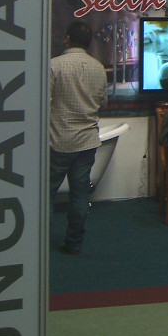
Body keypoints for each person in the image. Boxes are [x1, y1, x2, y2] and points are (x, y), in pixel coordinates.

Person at [48, 20, 108, 255]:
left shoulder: (54, 66)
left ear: (67, 39)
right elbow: (103, 102)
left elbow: (42, 102)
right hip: (87, 142)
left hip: (58, 141)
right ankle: (74, 243)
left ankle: (40, 246)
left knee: (46, 196)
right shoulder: (98, 68)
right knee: (80, 195)